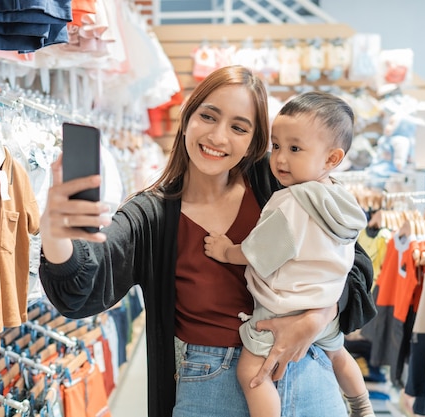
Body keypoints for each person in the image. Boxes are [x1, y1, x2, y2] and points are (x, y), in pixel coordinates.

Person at [39, 65, 376, 417]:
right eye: (208, 116)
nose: (218, 137)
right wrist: (54, 231)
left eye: (238, 127)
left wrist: (319, 316)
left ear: (253, 141)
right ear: (187, 119)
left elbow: (354, 263)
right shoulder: (151, 216)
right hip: (210, 388)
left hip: (308, 370)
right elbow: (83, 285)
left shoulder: (281, 182)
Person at [204, 91, 375, 417]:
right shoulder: (340, 198)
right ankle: (362, 406)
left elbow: (260, 252)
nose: (280, 159)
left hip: (284, 307)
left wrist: (226, 251)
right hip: (325, 304)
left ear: (331, 158)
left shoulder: (290, 202)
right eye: (277, 146)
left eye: (295, 149)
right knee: (338, 355)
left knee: (252, 373)